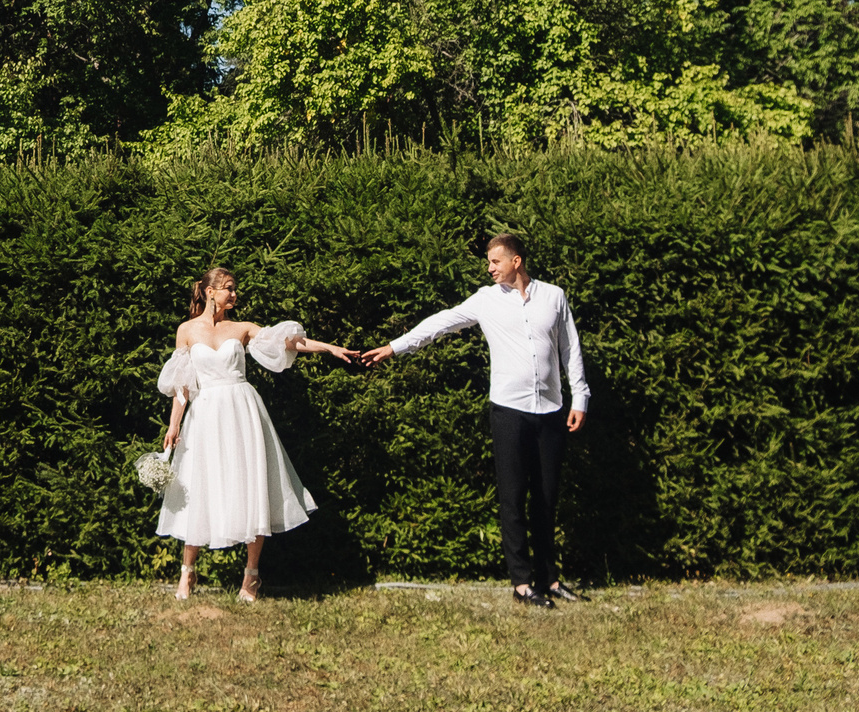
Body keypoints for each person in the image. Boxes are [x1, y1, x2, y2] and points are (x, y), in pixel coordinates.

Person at [360, 233, 589, 608]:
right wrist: (394, 347)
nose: (490, 268)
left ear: (516, 261)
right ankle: (522, 584)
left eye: (495, 261)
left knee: (546, 498)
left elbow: (570, 347)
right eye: (489, 262)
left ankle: (550, 579)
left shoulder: (553, 296)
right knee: (513, 498)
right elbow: (441, 323)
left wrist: (580, 397)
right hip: (509, 411)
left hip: (550, 410)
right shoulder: (485, 300)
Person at [156, 265, 354, 601]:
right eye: (228, 288)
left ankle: (251, 577)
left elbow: (288, 341)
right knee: (198, 486)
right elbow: (182, 386)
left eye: (235, 289)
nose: (234, 294)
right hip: (204, 416)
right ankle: (187, 573)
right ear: (210, 291)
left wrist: (329, 348)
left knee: (250, 485)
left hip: (242, 412)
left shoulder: (243, 328)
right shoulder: (186, 331)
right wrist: (174, 424)